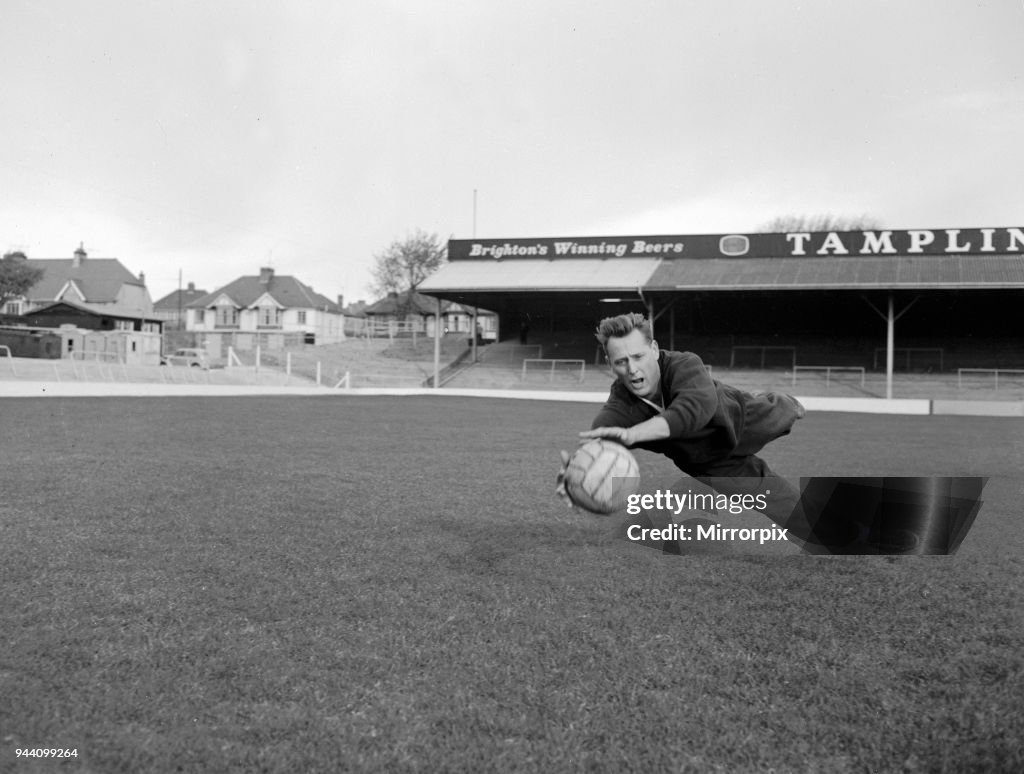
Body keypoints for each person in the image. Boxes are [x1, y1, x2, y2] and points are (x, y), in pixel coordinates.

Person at [557, 312, 816, 547]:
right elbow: (601, 438)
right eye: (621, 361)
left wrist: (635, 433)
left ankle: (787, 403)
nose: (632, 369)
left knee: (782, 410)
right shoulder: (621, 406)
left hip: (744, 419)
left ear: (655, 349)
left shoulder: (685, 364)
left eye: (638, 356)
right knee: (770, 496)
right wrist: (575, 474)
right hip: (708, 461)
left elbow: (693, 409)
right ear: (609, 363)